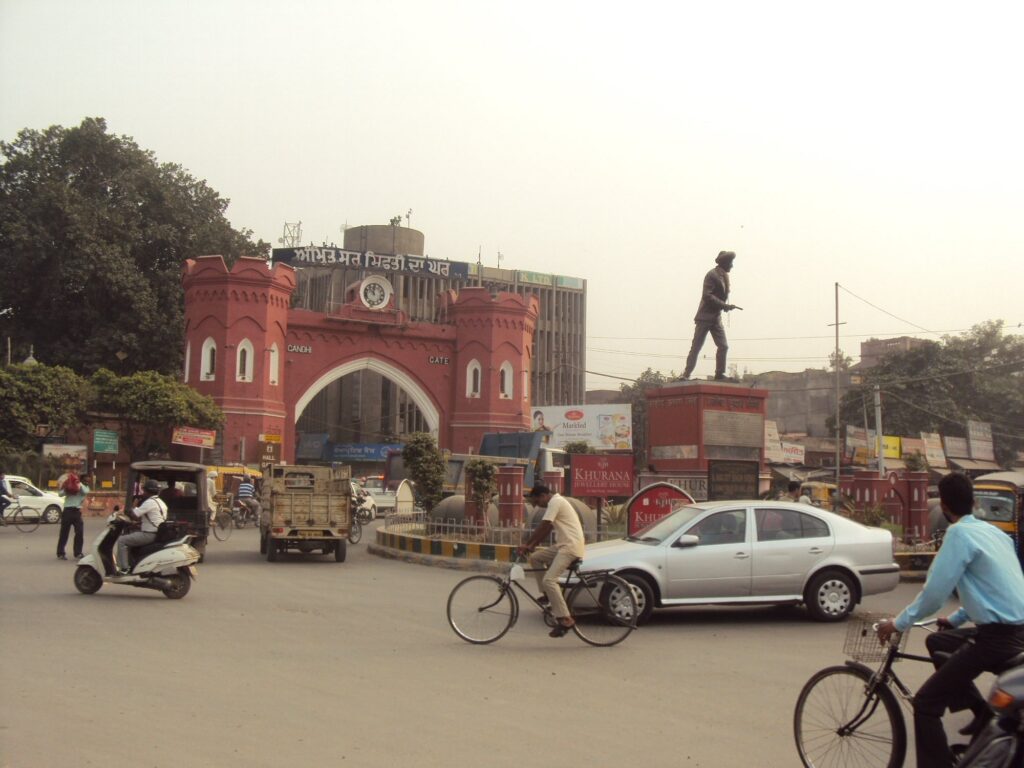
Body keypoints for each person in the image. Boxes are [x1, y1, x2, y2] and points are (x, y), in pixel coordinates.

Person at [875, 473, 1024, 768]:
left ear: (943, 506)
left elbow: (934, 594)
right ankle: (980, 711)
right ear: (973, 501)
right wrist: (955, 619)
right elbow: (991, 589)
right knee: (937, 639)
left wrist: (898, 623)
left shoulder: (958, 534)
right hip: (1016, 631)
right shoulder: (994, 533)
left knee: (925, 703)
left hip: (997, 639)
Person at [515, 484, 586, 638]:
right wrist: (532, 546)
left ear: (543, 496)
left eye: (536, 502)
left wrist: (527, 543)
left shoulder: (556, 502)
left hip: (570, 547)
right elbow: (547, 529)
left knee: (550, 580)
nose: (537, 505)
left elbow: (545, 525)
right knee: (535, 558)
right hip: (562, 545)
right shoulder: (555, 503)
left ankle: (566, 619)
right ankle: (548, 595)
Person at [681, 250, 740, 381]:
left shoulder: (724, 276)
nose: (732, 266)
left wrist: (724, 307)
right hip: (705, 317)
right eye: (730, 263)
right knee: (696, 346)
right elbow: (707, 296)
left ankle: (719, 374)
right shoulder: (712, 275)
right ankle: (686, 374)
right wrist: (724, 306)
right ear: (725, 263)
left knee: (723, 346)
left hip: (716, 318)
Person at [116, 479, 168, 574]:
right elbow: (152, 518)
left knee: (122, 540)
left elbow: (134, 515)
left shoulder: (149, 502)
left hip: (149, 534)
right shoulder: (160, 502)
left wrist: (134, 504)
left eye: (144, 491)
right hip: (157, 533)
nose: (143, 493)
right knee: (132, 536)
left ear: (148, 491)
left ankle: (124, 568)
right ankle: (133, 564)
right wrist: (138, 523)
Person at [56, 471, 89, 560]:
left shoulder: (84, 488)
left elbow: (85, 492)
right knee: (64, 533)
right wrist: (68, 486)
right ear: (81, 480)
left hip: (76, 512)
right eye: (86, 480)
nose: (87, 482)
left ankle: (78, 553)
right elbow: (60, 494)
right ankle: (60, 553)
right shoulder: (70, 486)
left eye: (87, 481)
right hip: (67, 511)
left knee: (79, 533)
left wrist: (78, 484)